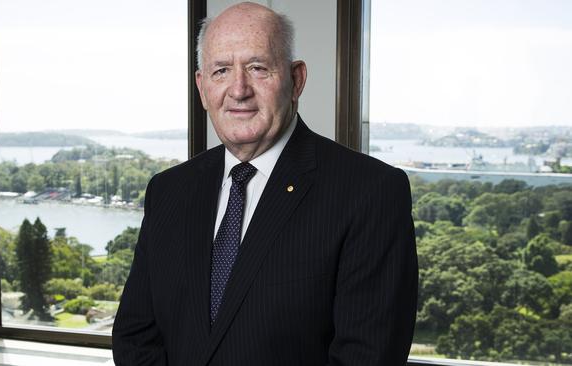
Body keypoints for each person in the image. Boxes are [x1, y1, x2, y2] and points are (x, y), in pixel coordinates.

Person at [112, 2, 417, 365]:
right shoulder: (168, 191)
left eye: (258, 68)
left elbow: (367, 357)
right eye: (221, 71)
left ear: (296, 79)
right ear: (201, 86)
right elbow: (135, 338)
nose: (238, 90)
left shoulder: (370, 193)